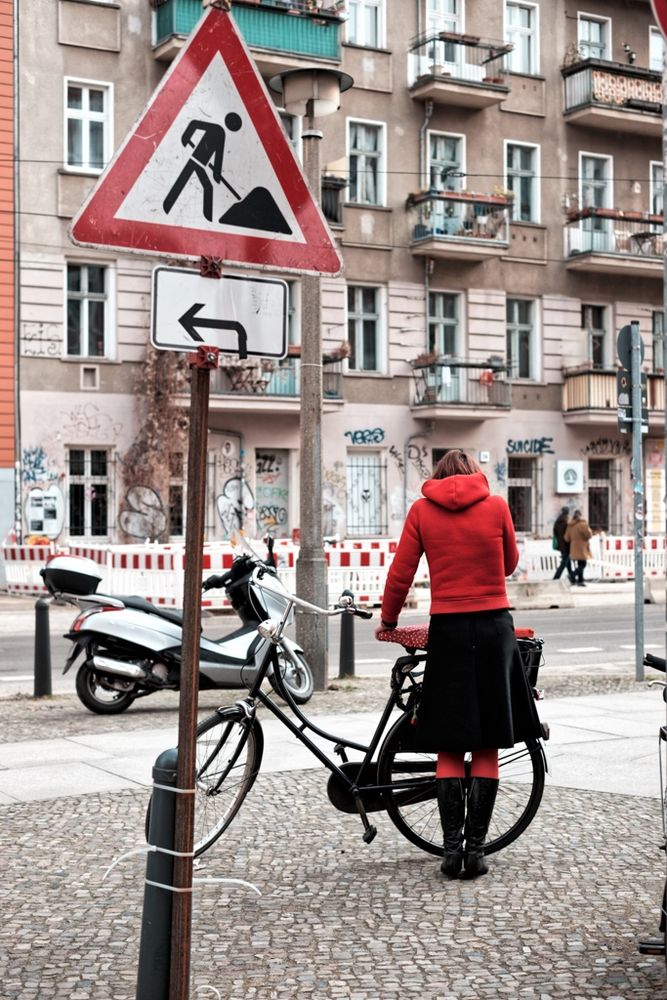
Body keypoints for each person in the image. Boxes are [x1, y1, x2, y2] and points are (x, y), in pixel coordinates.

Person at [377, 450, 541, 880]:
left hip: (447, 629)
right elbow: (508, 564)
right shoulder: (497, 505)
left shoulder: (421, 511)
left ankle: (450, 853)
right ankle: (477, 851)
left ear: (437, 477)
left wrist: (389, 620)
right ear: (474, 473)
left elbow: (401, 573)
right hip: (493, 628)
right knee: (485, 741)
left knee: (450, 743)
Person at [564, 510, 593, 586]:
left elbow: (566, 538)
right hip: (582, 546)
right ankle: (572, 575)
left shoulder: (570, 525)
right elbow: (589, 535)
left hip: (573, 547)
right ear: (580, 516)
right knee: (583, 564)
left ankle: (580, 581)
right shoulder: (583, 524)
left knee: (580, 563)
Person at [552, 506, 575, 583]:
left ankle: (572, 578)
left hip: (560, 544)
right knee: (564, 562)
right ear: (567, 513)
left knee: (568, 562)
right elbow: (568, 534)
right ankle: (556, 577)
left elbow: (555, 532)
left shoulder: (557, 521)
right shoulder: (567, 522)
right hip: (566, 545)